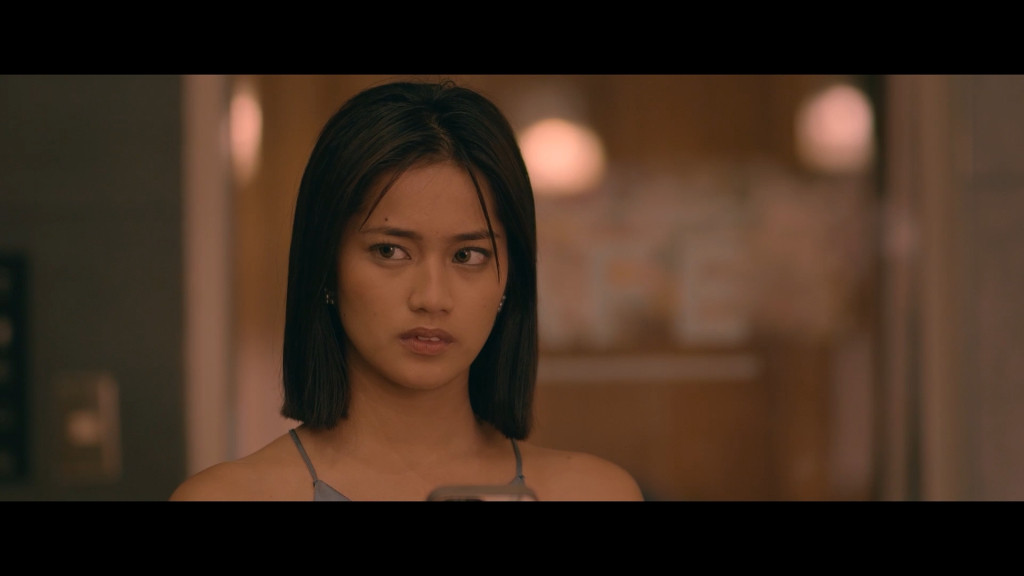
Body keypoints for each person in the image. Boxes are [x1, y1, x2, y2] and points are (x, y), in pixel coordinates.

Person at [170, 78, 644, 501]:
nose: (432, 298)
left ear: (510, 279)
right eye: (390, 251)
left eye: (468, 256)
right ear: (326, 265)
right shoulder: (229, 497)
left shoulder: (595, 493)